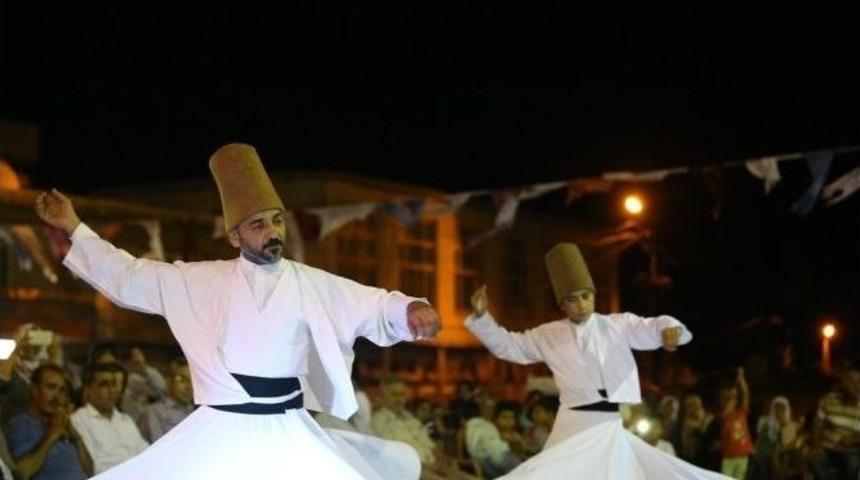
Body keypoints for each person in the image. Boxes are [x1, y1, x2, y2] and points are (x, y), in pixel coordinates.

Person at [34, 143, 441, 479]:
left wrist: (409, 308)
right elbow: (130, 275)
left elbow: (371, 302)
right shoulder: (201, 280)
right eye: (259, 225)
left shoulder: (310, 281)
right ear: (234, 235)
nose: (273, 233)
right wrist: (73, 226)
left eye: (277, 222)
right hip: (221, 426)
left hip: (289, 426)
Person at [464, 243, 729, 479]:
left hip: (608, 425)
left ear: (593, 296)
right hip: (573, 425)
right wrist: (482, 317)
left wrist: (670, 331)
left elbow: (649, 327)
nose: (580, 304)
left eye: (585, 296)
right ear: (562, 304)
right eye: (572, 299)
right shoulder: (548, 335)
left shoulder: (618, 325)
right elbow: (509, 346)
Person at [5, 364, 91, 479]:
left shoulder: (62, 425)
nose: (57, 397)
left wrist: (76, 438)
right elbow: (22, 473)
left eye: (62, 390)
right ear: (34, 390)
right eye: (51, 387)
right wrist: (51, 435)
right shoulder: (20, 425)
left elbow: (90, 470)